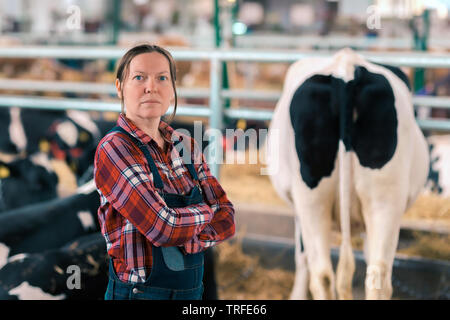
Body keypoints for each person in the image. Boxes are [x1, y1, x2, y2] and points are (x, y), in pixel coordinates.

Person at [94, 44, 235, 300]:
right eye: (139, 77)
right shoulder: (114, 148)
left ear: (172, 90)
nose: (152, 87)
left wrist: (186, 235)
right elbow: (163, 228)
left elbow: (227, 217)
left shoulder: (186, 146)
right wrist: (205, 212)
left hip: (191, 295)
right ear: (119, 88)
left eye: (162, 78)